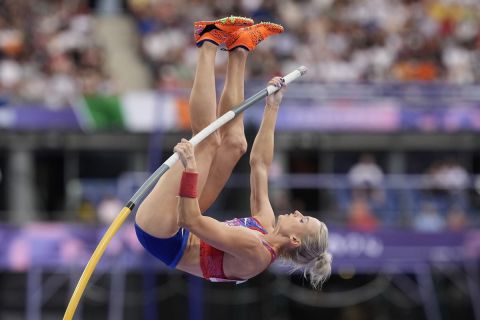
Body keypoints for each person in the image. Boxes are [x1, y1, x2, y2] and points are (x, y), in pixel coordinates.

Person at [134, 16, 331, 288]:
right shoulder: (265, 223)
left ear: (295, 240)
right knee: (236, 143)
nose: (298, 212)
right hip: (181, 224)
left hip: (162, 233)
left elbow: (189, 219)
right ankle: (239, 49)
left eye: (303, 219)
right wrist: (272, 107)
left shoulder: (255, 249)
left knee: (207, 141)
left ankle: (207, 41)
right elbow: (260, 164)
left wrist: (191, 169)